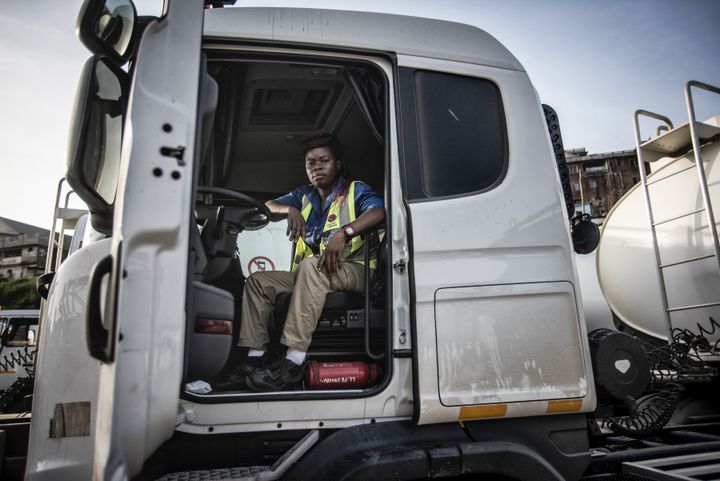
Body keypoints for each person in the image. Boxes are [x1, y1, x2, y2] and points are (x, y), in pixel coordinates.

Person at [217, 133, 385, 392]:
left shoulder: (355, 190)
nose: (317, 167)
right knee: (258, 282)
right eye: (310, 163)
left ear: (338, 164)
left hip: (356, 269)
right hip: (318, 272)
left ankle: (293, 361)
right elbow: (268, 206)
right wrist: (290, 210)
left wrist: (345, 232)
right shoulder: (303, 196)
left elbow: (379, 211)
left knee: (311, 266)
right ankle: (254, 359)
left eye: (323, 160)